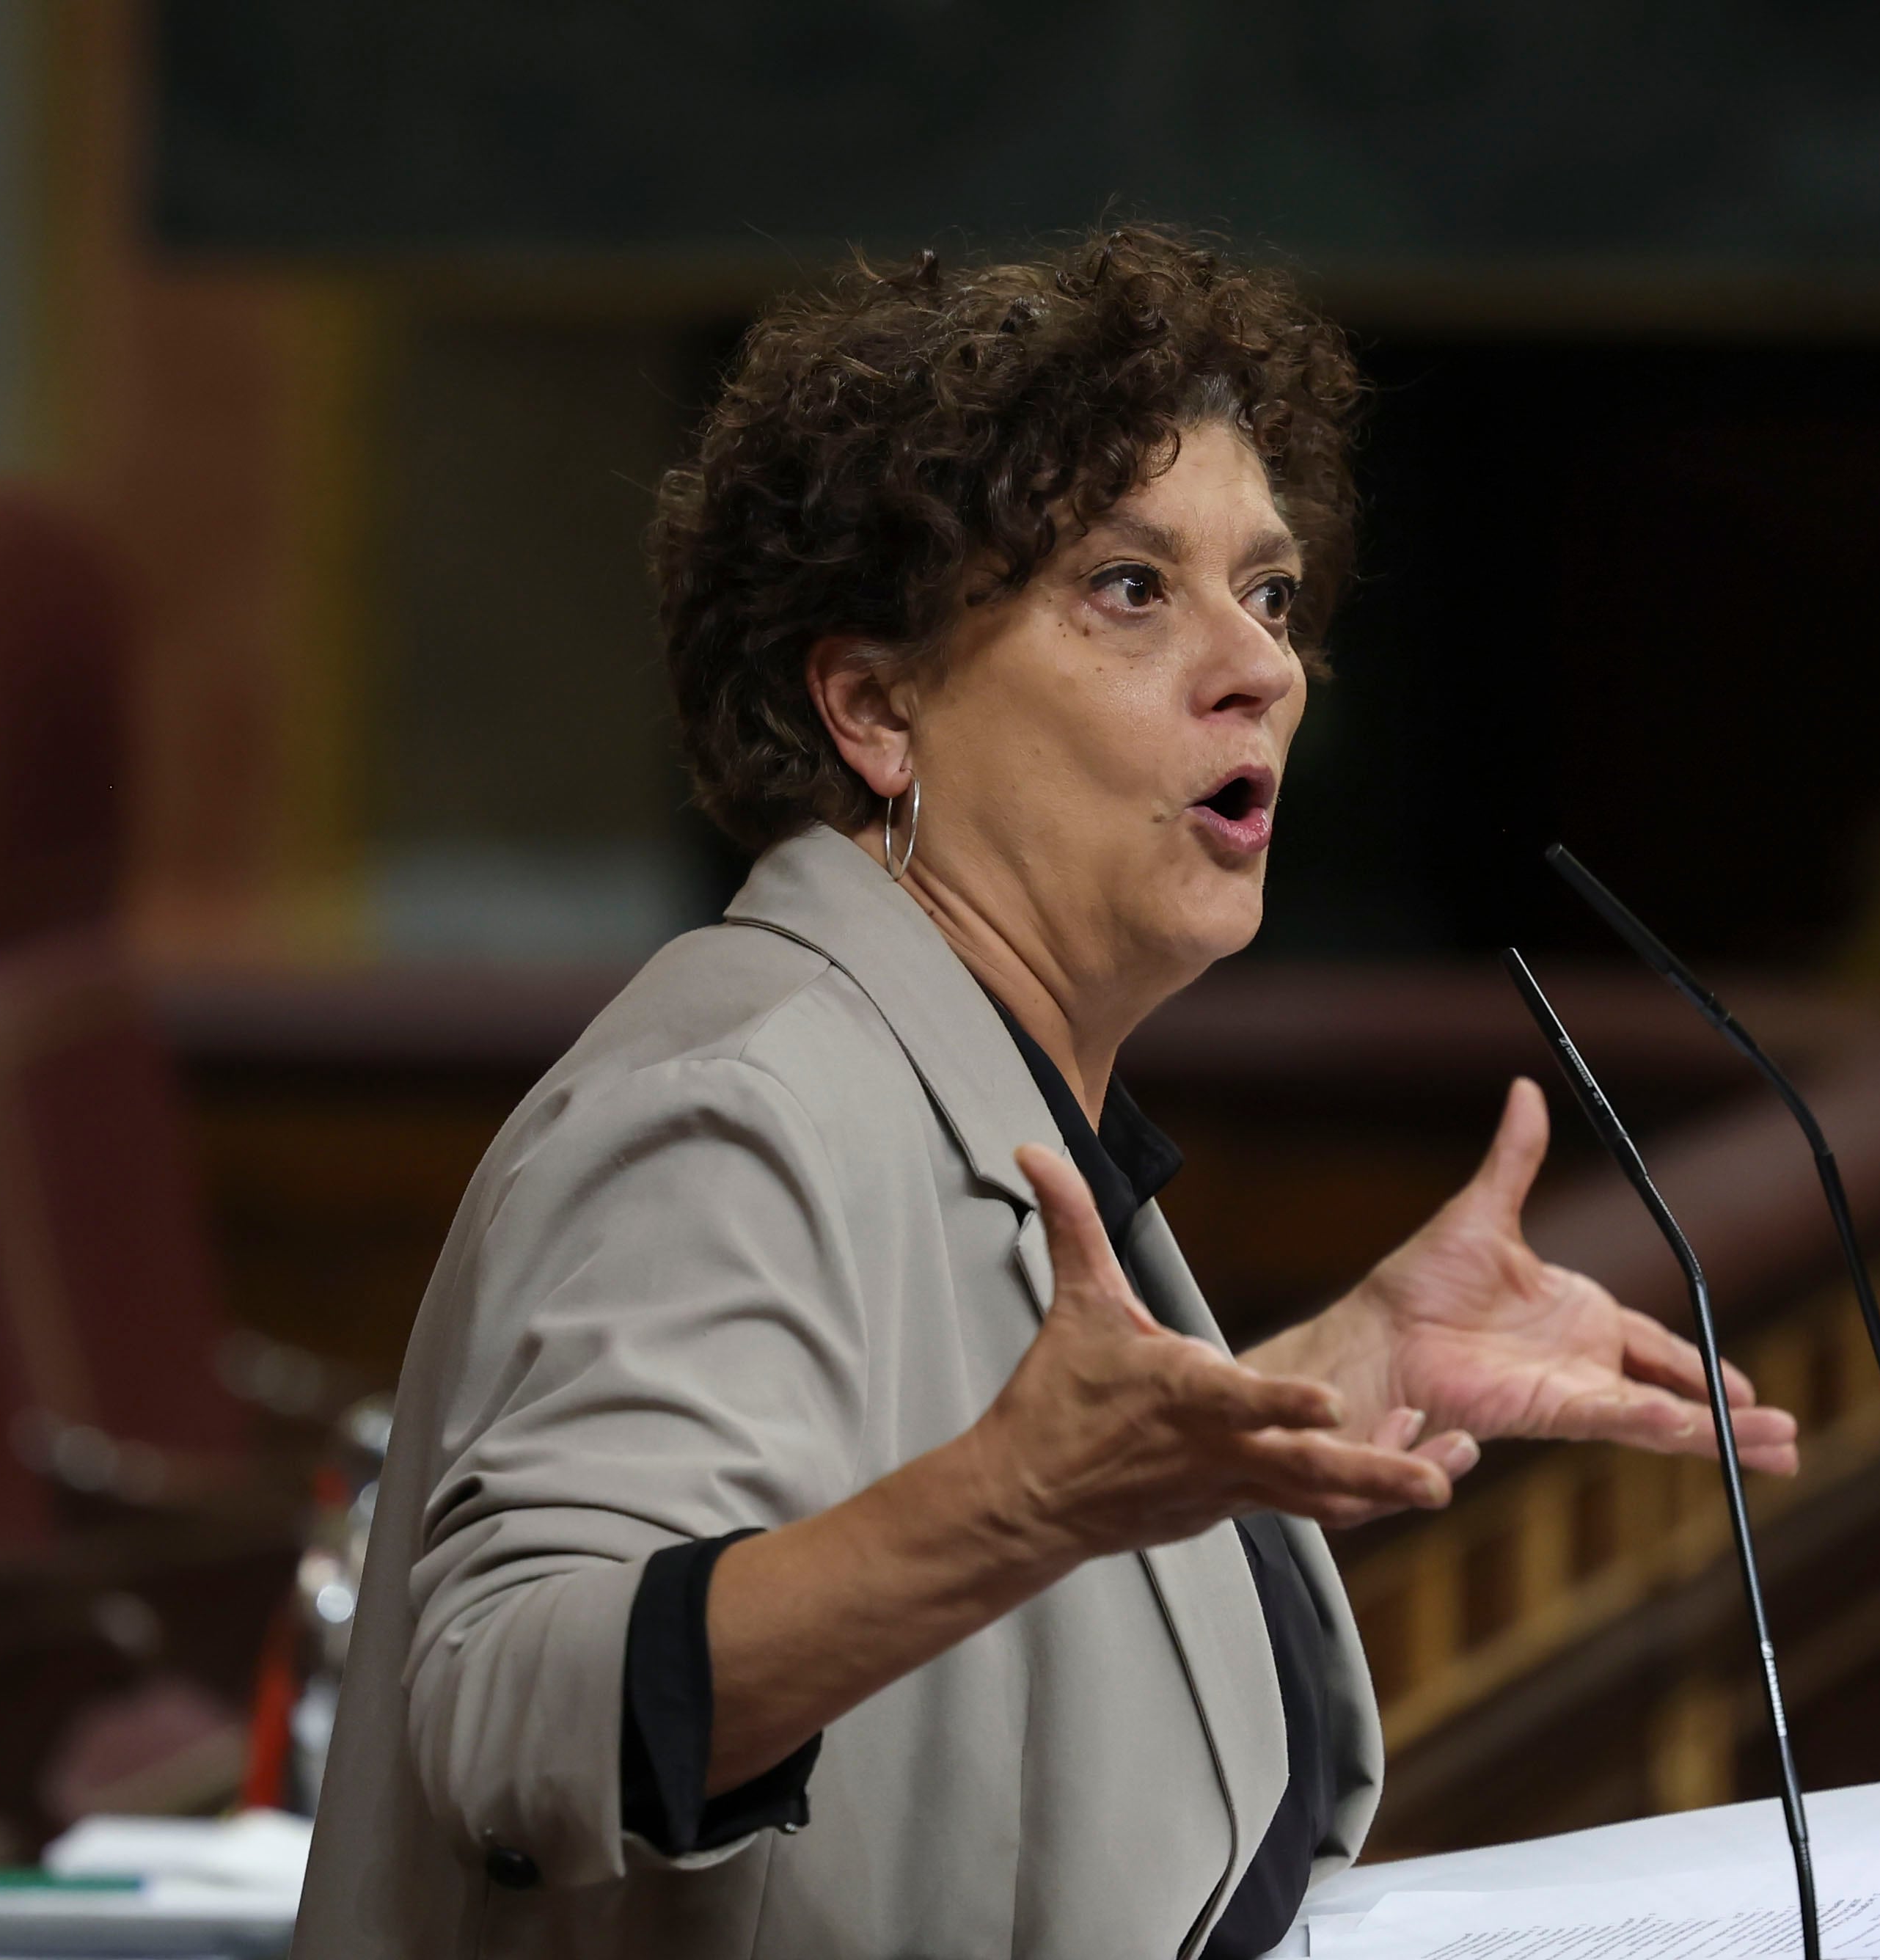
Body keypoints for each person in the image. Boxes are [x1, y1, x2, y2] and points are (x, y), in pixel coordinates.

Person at [294, 225, 1798, 1959]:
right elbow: (510, 1707)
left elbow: (956, 1518)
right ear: (875, 706)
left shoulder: (968, 1087)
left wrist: (1310, 1382)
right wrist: (1018, 1500)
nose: (1261, 667)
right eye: (1130, 587)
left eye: (1273, 591)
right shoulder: (730, 1107)